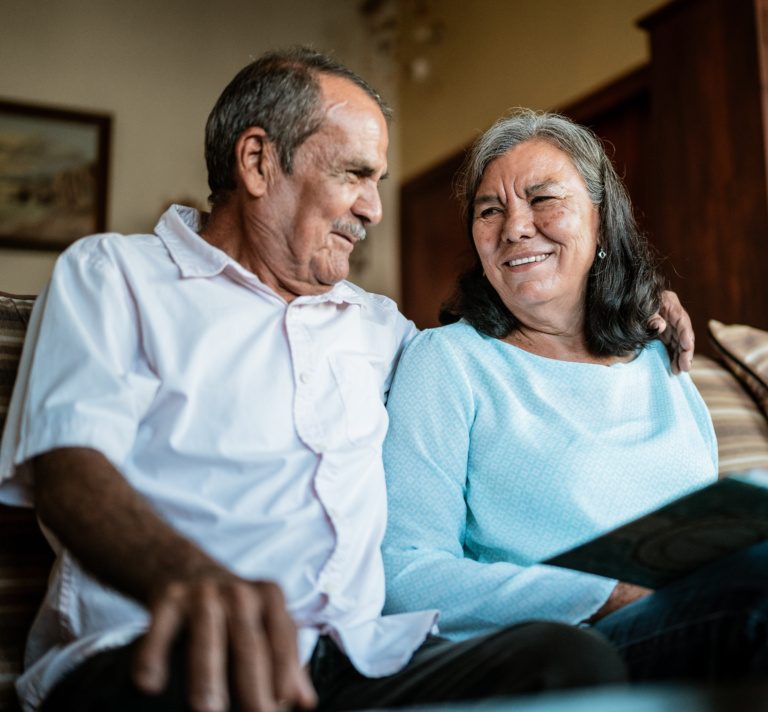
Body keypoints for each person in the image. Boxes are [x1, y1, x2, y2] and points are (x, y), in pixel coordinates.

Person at [0, 51, 640, 712]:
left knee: (568, 663)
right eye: (354, 174)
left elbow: (504, 356)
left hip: (357, 662)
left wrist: (625, 312)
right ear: (256, 162)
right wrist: (188, 576)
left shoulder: (380, 327)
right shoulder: (115, 275)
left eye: (379, 180)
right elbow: (69, 470)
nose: (373, 208)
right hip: (162, 653)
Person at [381, 108, 768, 684]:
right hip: (579, 641)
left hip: (704, 608)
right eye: (490, 210)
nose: (514, 227)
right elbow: (403, 576)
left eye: (543, 199)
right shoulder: (448, 361)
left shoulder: (663, 358)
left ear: (601, 219)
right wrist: (602, 593)